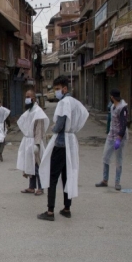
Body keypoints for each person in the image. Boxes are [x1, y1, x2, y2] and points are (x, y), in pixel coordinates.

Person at [38, 75, 89, 221]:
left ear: (65, 88)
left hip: (60, 143)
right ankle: (67, 208)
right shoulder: (74, 102)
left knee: (53, 176)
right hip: (71, 142)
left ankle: (49, 212)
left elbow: (60, 124)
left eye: (58, 89)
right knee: (67, 177)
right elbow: (83, 114)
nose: (56, 92)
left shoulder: (63, 103)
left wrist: (54, 129)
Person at [17, 90, 49, 196]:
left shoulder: (38, 112)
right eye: (26, 96)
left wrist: (37, 144)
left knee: (37, 165)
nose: (27, 99)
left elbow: (39, 129)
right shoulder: (29, 111)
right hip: (27, 141)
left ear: (34, 98)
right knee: (30, 164)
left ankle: (41, 187)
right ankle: (31, 187)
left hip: (35, 142)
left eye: (29, 97)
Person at [95, 89, 128, 191]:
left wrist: (119, 138)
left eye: (110, 96)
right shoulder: (113, 107)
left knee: (118, 160)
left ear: (112, 97)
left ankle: (117, 182)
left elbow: (124, 123)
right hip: (111, 136)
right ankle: (105, 180)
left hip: (119, 137)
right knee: (106, 157)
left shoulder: (122, 108)